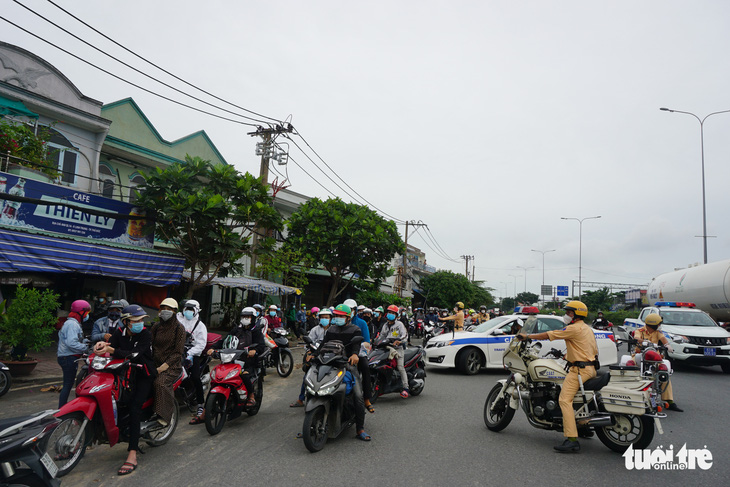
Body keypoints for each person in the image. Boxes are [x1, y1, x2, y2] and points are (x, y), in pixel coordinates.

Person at [518, 300, 598, 453]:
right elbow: (587, 349)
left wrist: (528, 336)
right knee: (574, 399)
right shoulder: (586, 329)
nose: (566, 315)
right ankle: (582, 427)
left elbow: (549, 335)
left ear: (576, 314)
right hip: (591, 368)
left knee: (564, 400)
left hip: (580, 371)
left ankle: (572, 439)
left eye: (569, 313)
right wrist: (567, 356)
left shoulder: (573, 328)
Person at [95, 304, 155, 476]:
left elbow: (133, 354)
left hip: (144, 373)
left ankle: (132, 453)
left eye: (141, 320)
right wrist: (100, 346)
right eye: (135, 321)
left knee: (134, 408)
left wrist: (112, 349)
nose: (139, 323)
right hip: (125, 373)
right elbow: (109, 347)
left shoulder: (145, 334)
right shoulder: (118, 333)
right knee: (117, 402)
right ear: (126, 322)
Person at [320, 304, 370, 441]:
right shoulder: (331, 329)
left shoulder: (355, 329)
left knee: (358, 395)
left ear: (348, 317)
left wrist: (354, 355)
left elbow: (356, 346)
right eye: (336, 315)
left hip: (348, 365)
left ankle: (360, 429)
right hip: (330, 364)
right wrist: (313, 354)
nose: (338, 318)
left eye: (341, 316)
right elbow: (323, 345)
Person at [208, 307, 265, 406]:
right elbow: (224, 341)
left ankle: (251, 396)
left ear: (253, 318)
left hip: (248, 361)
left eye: (248, 317)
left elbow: (261, 345)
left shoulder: (256, 331)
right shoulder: (236, 330)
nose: (245, 318)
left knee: (244, 375)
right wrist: (213, 348)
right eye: (243, 316)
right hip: (232, 358)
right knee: (218, 376)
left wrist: (254, 351)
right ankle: (204, 411)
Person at [633, 313, 683, 412]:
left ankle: (670, 401)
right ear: (654, 324)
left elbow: (664, 340)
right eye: (658, 324)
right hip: (641, 355)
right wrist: (642, 341)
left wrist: (668, 346)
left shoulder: (658, 332)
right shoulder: (640, 331)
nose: (659, 326)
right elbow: (636, 338)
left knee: (664, 373)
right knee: (630, 366)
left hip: (655, 357)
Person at [150, 298, 186, 426]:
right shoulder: (156, 326)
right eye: (163, 308)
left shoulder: (179, 329)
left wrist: (163, 367)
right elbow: (151, 344)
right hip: (154, 363)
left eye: (169, 309)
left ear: (175, 311)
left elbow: (178, 352)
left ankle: (165, 416)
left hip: (171, 366)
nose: (166, 311)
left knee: (160, 383)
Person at [290, 308, 332, 408]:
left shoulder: (334, 330)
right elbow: (308, 343)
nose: (324, 319)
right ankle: (301, 399)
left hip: (330, 356)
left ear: (331, 319)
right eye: (322, 317)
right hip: (315, 355)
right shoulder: (315, 329)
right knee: (307, 375)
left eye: (326, 317)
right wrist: (309, 351)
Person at [178, 299, 209, 424]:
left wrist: (189, 354)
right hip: (176, 351)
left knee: (195, 377)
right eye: (187, 309)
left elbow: (201, 345)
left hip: (192, 354)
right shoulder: (178, 320)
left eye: (191, 309)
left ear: (196, 311)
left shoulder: (200, 326)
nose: (188, 312)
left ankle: (201, 405)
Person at [57, 300, 91, 407]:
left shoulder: (73, 323)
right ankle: (62, 409)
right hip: (68, 358)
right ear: (80, 312)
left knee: (68, 383)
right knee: (68, 384)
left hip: (67, 357)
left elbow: (75, 340)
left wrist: (86, 342)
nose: (87, 316)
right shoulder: (72, 324)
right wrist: (86, 348)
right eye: (86, 313)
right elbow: (71, 343)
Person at [344, 299, 374, 413]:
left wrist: (356, 350)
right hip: (341, 353)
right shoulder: (337, 323)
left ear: (355, 311)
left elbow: (366, 342)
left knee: (365, 367)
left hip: (358, 353)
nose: (349, 312)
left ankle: (366, 399)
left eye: (351, 310)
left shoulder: (361, 323)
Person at [378, 304, 410, 398]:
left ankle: (406, 388)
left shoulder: (399, 324)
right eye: (389, 312)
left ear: (396, 315)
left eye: (393, 313)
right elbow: (382, 336)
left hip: (397, 349)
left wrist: (399, 341)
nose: (390, 314)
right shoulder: (385, 325)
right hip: (387, 348)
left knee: (400, 367)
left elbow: (405, 335)